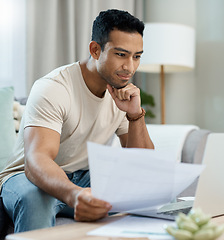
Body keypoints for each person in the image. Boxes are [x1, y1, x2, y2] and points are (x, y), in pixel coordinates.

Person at [0, 9, 154, 233]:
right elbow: (37, 161)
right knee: (36, 198)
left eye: (136, 56)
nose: (129, 67)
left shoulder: (121, 93)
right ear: (95, 49)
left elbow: (144, 166)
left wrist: (134, 114)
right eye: (121, 54)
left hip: (83, 175)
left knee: (141, 187)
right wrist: (75, 194)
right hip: (25, 177)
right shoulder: (54, 87)